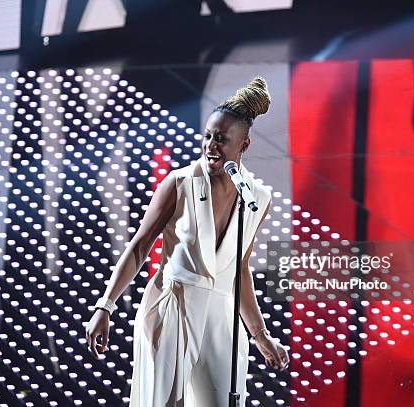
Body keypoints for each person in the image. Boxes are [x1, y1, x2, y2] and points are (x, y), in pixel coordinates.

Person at [86, 77, 289, 407]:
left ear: (244, 145)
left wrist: (261, 335)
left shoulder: (259, 198)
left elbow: (239, 269)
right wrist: (104, 306)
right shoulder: (179, 182)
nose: (210, 145)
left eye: (221, 139)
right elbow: (139, 246)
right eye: (207, 136)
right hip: (173, 307)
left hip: (222, 318)